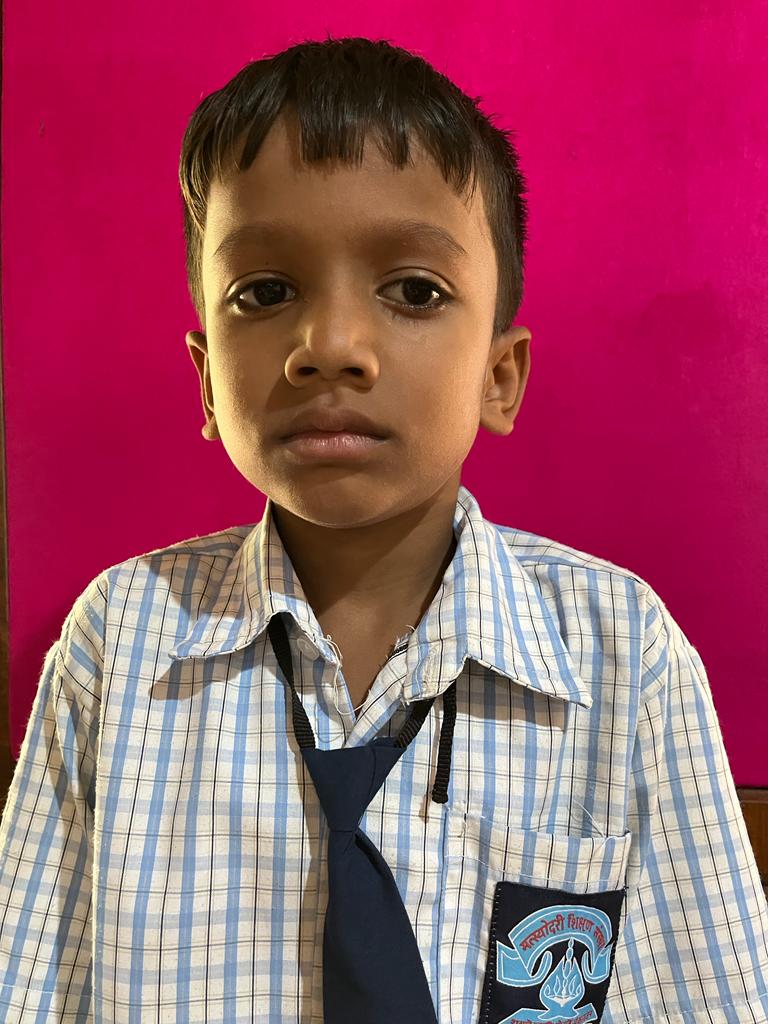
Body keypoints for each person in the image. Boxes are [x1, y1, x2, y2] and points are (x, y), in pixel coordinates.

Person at [0, 34, 766, 1024]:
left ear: (500, 376)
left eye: (413, 291)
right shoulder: (119, 645)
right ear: (206, 380)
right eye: (264, 292)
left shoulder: (623, 655)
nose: (329, 345)